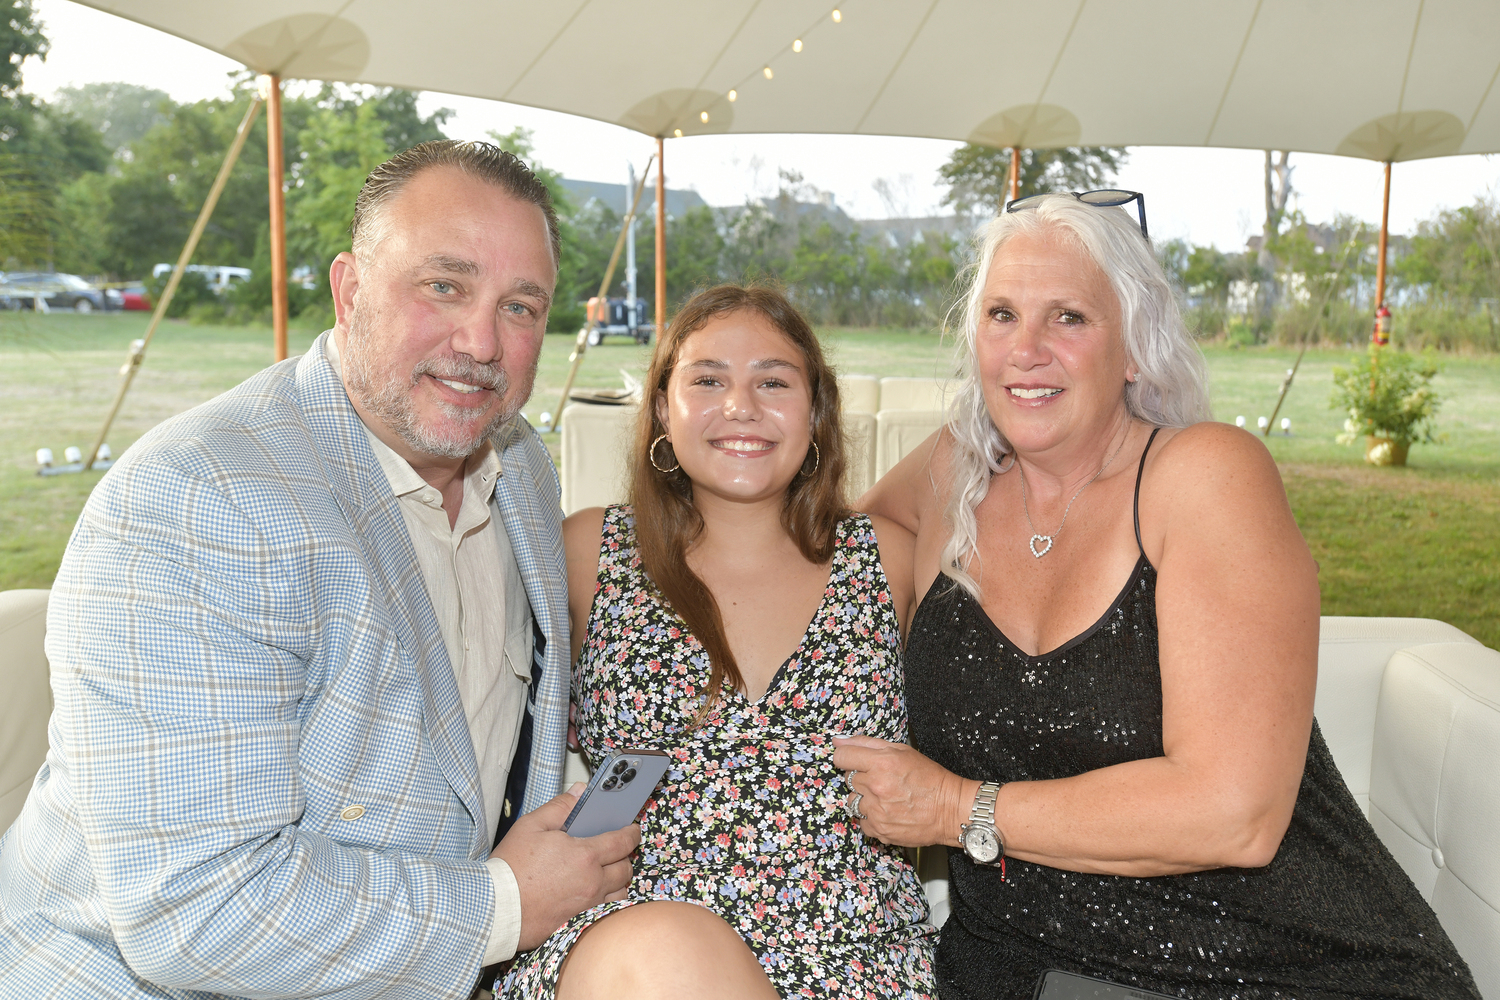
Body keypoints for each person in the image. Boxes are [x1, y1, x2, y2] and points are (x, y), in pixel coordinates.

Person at [0, 141, 637, 1000]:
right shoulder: (201, 501)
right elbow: (197, 913)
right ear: (349, 291)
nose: (482, 340)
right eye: (443, 285)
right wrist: (505, 903)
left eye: (521, 306)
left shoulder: (517, 464)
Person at [841, 194, 1481, 1000]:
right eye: (1002, 315)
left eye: (1068, 317)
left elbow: (1234, 812)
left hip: (1281, 966)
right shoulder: (949, 476)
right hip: (1022, 971)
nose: (1026, 350)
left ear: (1136, 350)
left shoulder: (1202, 477)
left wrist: (957, 808)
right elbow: (813, 557)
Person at [501, 285, 937, 999]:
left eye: (773, 381)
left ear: (816, 413)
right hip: (637, 938)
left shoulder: (887, 560)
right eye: (707, 380)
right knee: (671, 957)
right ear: (664, 411)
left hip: (857, 949)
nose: (741, 405)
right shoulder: (590, 552)